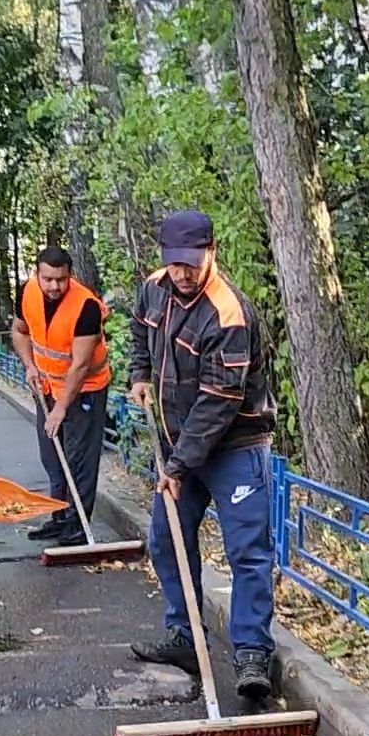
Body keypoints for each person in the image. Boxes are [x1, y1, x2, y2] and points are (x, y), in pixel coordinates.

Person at [127, 210, 279, 702]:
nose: (184, 274)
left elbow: (219, 401)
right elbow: (139, 333)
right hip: (178, 442)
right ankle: (187, 636)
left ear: (211, 252)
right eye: (175, 264)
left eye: (192, 263)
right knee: (166, 540)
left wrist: (176, 466)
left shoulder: (227, 313)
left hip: (235, 445)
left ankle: (252, 652)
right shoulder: (153, 288)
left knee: (247, 552)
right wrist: (140, 373)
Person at [9, 246, 110, 549]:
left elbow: (80, 365)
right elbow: (19, 330)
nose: (54, 286)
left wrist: (61, 408)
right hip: (48, 387)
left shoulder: (86, 307)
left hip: (86, 390)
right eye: (48, 279)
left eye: (61, 279)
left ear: (70, 276)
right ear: (36, 274)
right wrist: (29, 366)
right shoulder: (26, 292)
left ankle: (78, 526)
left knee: (78, 459)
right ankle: (59, 517)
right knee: (52, 455)